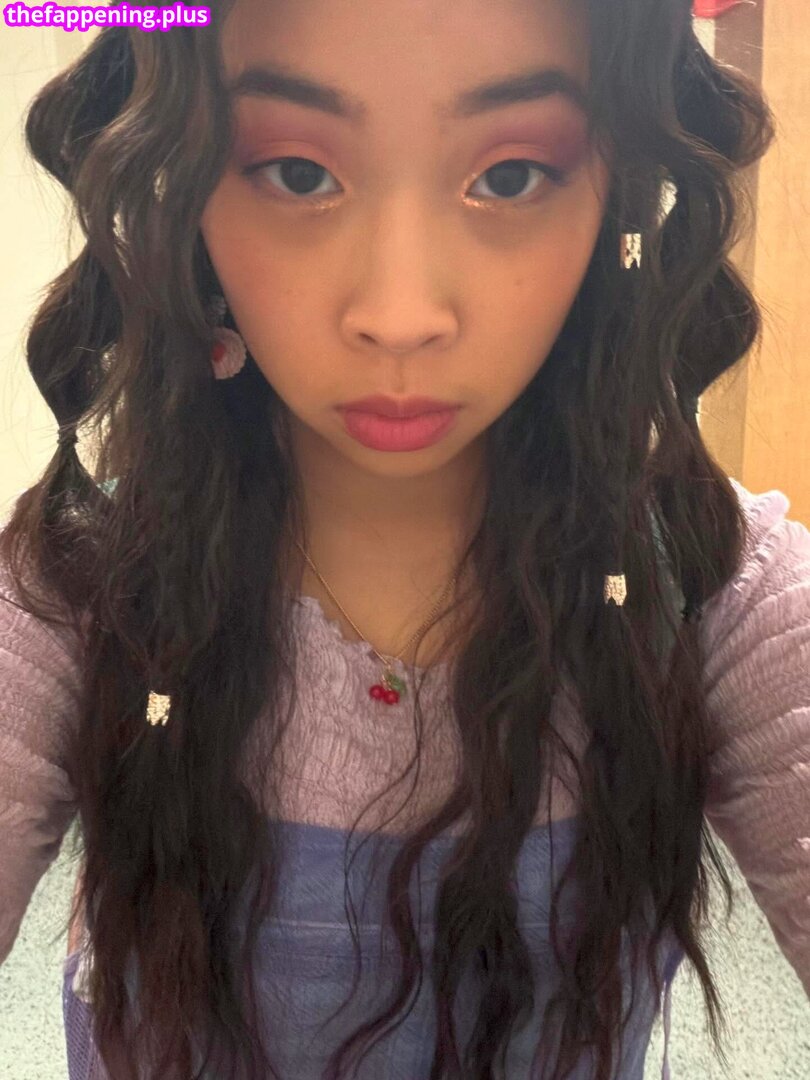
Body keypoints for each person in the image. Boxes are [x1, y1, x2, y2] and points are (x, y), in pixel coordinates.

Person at [0, 1, 807, 1077]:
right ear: (186, 186)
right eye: (297, 173)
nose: (399, 313)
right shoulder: (80, 587)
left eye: (510, 176)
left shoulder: (705, 586)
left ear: (612, 189)